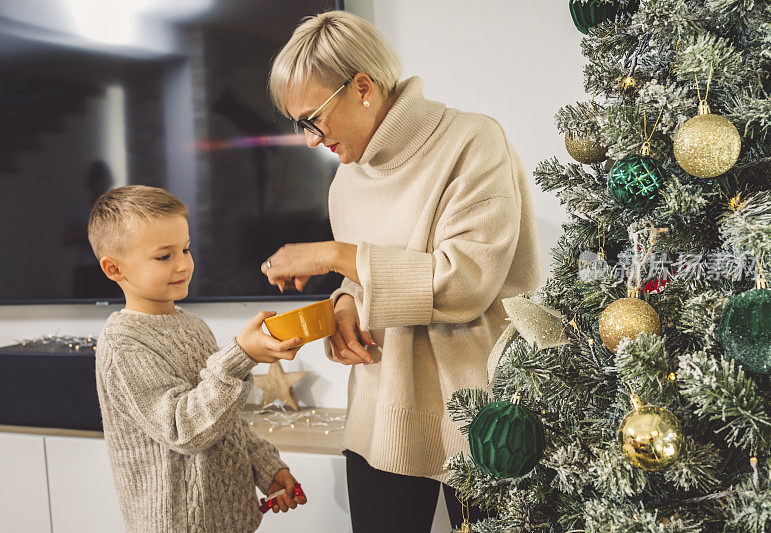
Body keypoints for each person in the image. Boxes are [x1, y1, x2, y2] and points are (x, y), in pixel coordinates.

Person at [263, 11, 542, 533]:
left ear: (363, 88)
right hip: (380, 419)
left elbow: (465, 283)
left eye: (312, 119)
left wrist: (334, 255)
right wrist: (345, 304)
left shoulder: (473, 141)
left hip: (484, 419)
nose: (309, 140)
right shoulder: (346, 179)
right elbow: (365, 277)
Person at [88, 185, 307, 532]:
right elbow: (184, 430)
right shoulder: (123, 345)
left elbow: (223, 419)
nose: (183, 265)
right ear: (114, 269)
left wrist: (267, 468)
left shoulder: (193, 326)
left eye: (186, 250)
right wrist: (241, 357)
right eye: (165, 256)